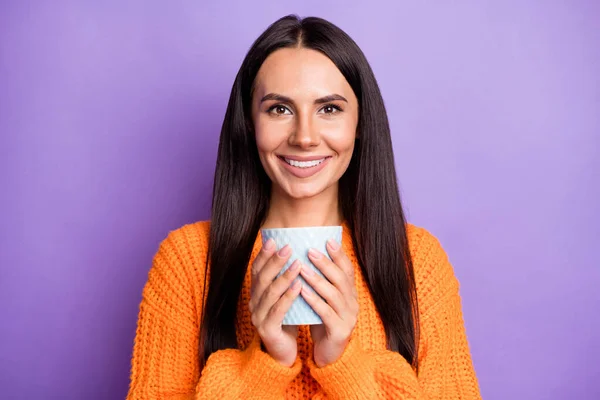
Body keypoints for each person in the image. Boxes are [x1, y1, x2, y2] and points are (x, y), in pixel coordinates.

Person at [126, 14, 482, 400]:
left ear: (360, 122)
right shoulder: (188, 262)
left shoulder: (418, 262)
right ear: (249, 122)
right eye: (280, 109)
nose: (305, 137)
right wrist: (268, 361)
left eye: (329, 109)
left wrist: (341, 362)